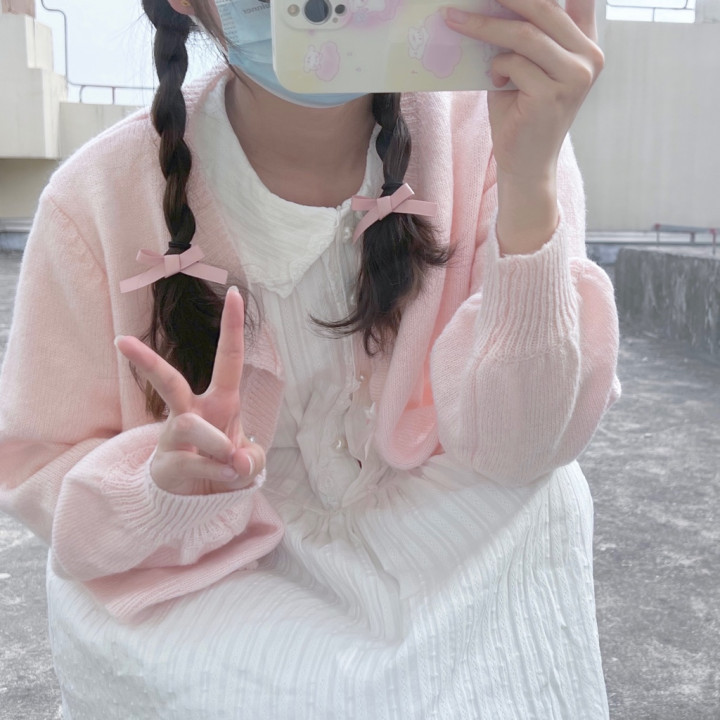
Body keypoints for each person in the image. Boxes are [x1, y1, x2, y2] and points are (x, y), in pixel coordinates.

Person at [0, 0, 620, 717]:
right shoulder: (95, 199)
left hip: (447, 543)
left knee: (545, 507)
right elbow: (41, 463)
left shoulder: (494, 131)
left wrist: (530, 178)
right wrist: (160, 487)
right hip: (220, 567)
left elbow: (523, 447)